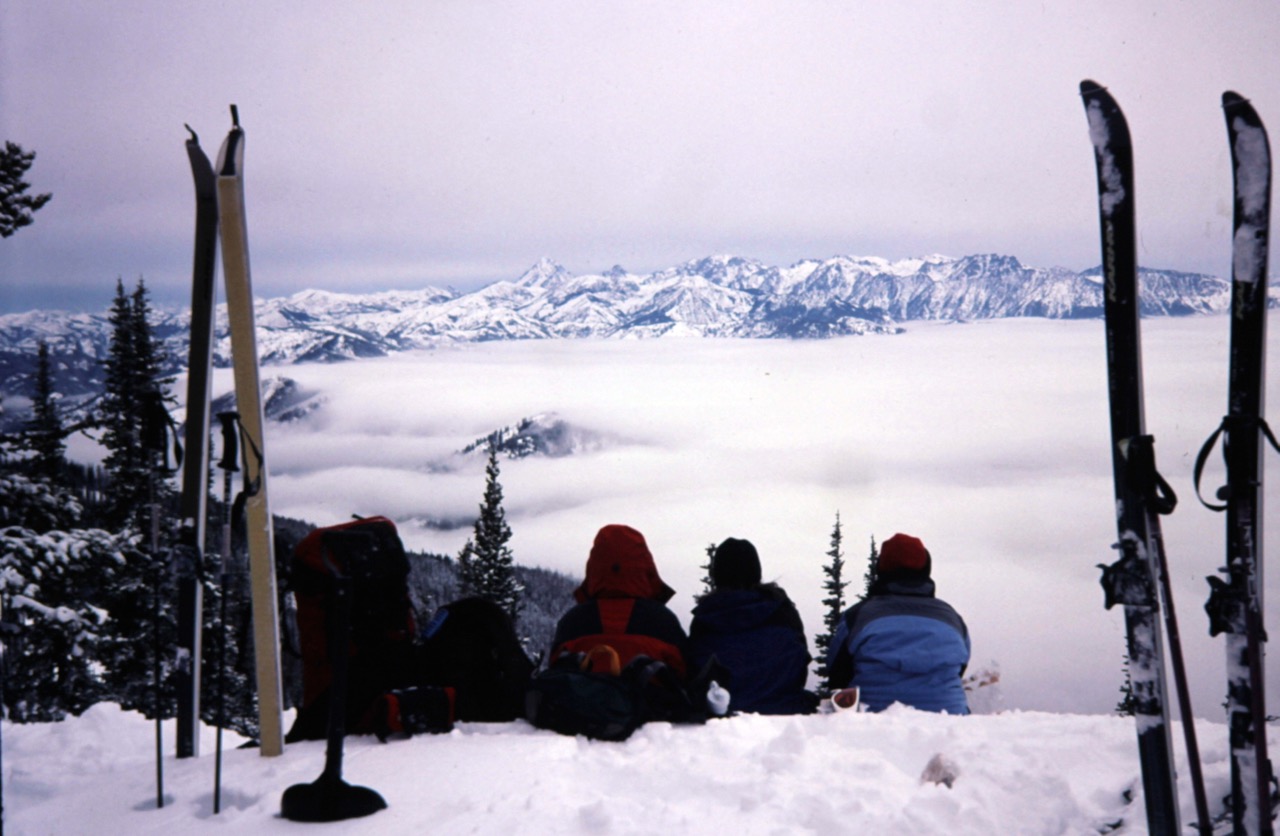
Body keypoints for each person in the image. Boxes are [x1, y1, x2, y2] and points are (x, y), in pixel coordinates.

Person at [827, 532, 970, 714]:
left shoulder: (858, 616)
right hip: (950, 720)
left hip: (871, 721)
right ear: (926, 569)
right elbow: (959, 670)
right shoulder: (952, 619)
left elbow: (837, 675)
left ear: (881, 570)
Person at [688, 537, 816, 715]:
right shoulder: (782, 610)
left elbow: (695, 670)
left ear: (717, 573)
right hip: (784, 706)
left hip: (723, 709)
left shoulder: (705, 616)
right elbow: (800, 663)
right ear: (756, 571)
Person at [549, 524, 689, 676]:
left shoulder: (572, 623)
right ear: (645, 566)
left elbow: (554, 671)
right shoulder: (664, 623)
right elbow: (686, 677)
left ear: (594, 567)